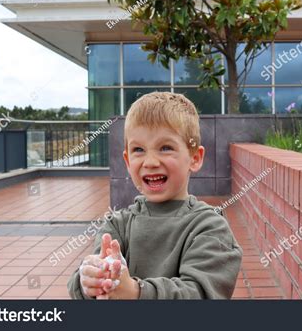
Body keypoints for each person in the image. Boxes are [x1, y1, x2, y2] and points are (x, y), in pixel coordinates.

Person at [67, 92, 242, 299]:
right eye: (139, 149)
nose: (150, 162)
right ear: (127, 160)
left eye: (165, 148)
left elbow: (201, 293)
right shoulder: (116, 225)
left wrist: (135, 292)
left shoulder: (210, 227)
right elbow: (86, 281)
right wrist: (90, 281)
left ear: (194, 158)